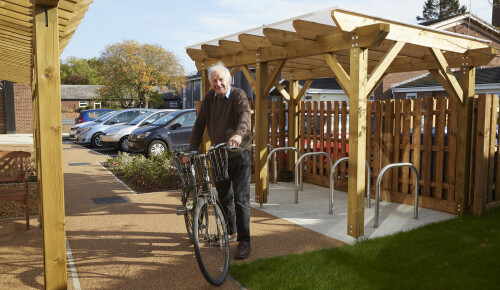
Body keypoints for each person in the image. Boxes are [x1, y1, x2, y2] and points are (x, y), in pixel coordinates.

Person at [189, 62, 252, 259]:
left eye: (221, 79)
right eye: (214, 81)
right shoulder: (209, 98)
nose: (218, 83)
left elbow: (245, 117)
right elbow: (200, 124)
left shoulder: (238, 95)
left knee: (241, 200)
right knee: (224, 197)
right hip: (218, 155)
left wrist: (238, 135)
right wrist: (192, 149)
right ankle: (231, 232)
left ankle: (244, 241)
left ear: (229, 80)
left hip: (238, 153)